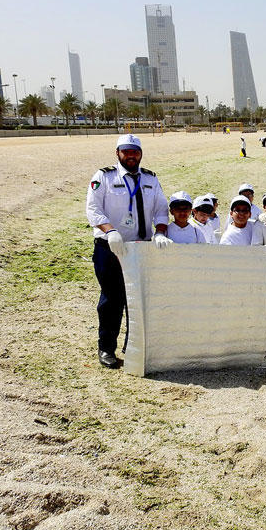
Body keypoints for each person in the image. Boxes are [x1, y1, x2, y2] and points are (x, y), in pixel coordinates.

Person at [85, 134, 171, 368]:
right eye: (126, 151)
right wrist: (110, 231)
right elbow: (93, 209)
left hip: (141, 249)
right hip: (111, 247)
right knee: (112, 300)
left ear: (141, 153)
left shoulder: (151, 179)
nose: (131, 155)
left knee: (140, 300)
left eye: (135, 151)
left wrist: (161, 231)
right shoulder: (103, 177)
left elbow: (162, 210)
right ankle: (106, 349)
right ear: (117, 153)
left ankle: (134, 348)